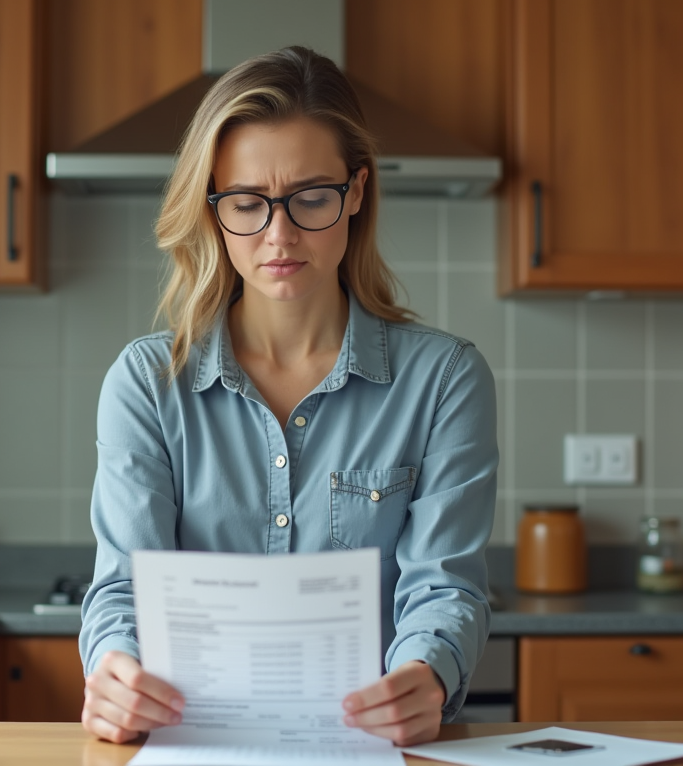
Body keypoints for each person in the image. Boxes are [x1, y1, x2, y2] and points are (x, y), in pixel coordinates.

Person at [79, 46, 497, 748]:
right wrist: (115, 670)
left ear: (356, 193)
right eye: (246, 202)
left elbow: (446, 586)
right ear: (213, 209)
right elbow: (122, 589)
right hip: (194, 747)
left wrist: (427, 673)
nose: (279, 234)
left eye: (310, 198)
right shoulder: (146, 385)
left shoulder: (446, 380)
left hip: (375, 752)